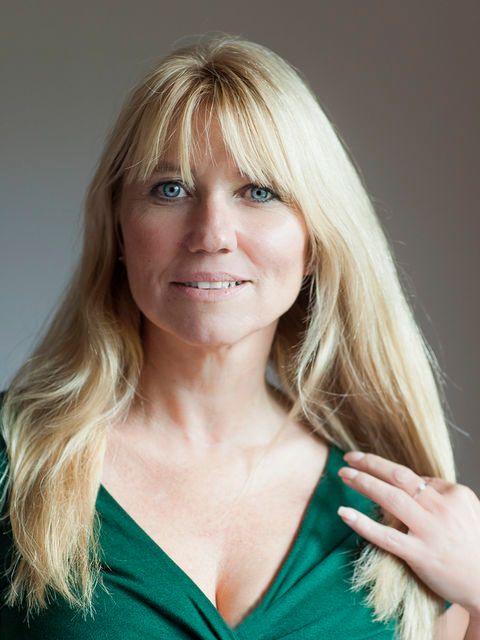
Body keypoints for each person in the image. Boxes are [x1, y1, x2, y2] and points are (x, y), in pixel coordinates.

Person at [0, 33, 478, 640]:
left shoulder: (395, 505)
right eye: (170, 189)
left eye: (259, 192)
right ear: (118, 229)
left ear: (315, 240)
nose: (212, 234)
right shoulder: (15, 465)